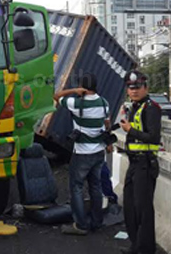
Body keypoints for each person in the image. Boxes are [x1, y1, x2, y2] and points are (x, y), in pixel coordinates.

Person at [54, 73, 110, 235]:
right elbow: (107, 123)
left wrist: (73, 90)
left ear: (82, 87)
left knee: (77, 187)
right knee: (95, 187)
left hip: (82, 153)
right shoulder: (104, 103)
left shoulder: (76, 103)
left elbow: (56, 96)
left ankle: (80, 225)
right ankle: (97, 222)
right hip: (99, 151)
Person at [120, 70, 161, 254]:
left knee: (143, 211)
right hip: (134, 164)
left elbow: (153, 137)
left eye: (137, 88)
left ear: (146, 88)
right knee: (130, 207)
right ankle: (135, 245)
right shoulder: (134, 107)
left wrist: (130, 130)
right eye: (130, 88)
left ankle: (145, 250)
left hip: (145, 165)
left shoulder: (151, 108)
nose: (134, 91)